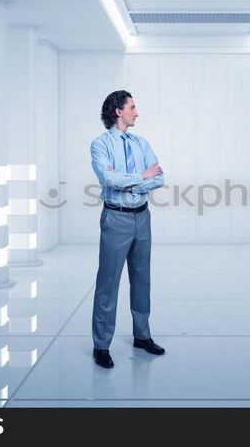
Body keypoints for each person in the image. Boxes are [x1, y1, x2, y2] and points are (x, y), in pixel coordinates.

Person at [89, 90, 165, 369]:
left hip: (142, 217)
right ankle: (101, 345)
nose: (137, 112)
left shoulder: (141, 143)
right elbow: (108, 178)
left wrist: (131, 181)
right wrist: (141, 176)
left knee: (141, 279)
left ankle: (142, 336)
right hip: (116, 218)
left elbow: (159, 179)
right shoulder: (100, 145)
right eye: (133, 107)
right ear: (118, 110)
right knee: (108, 284)